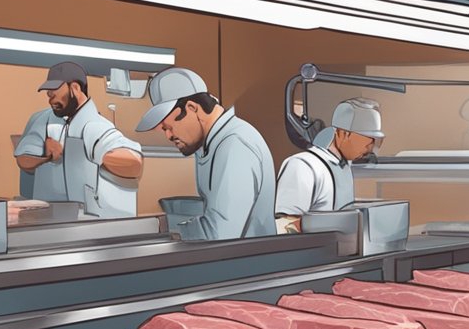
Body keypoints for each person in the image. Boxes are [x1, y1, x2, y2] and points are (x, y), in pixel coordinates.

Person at [137, 67, 276, 240]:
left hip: (250, 262)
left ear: (192, 108)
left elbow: (221, 233)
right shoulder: (208, 142)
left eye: (169, 127)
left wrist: (160, 227)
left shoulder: (235, 145)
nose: (169, 136)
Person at [24, 62, 143, 218]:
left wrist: (98, 153)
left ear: (75, 88)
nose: (50, 99)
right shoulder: (45, 121)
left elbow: (134, 163)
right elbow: (24, 161)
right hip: (50, 219)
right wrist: (44, 156)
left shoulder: (94, 126)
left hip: (90, 224)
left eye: (54, 93)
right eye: (49, 95)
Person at [274, 98, 384, 232]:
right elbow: (284, 226)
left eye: (375, 142)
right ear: (343, 134)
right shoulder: (303, 166)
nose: (370, 149)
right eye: (367, 142)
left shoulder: (344, 167)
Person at [12, 106, 60, 200]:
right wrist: (48, 157)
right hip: (42, 203)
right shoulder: (46, 119)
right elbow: (25, 161)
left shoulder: (92, 120)